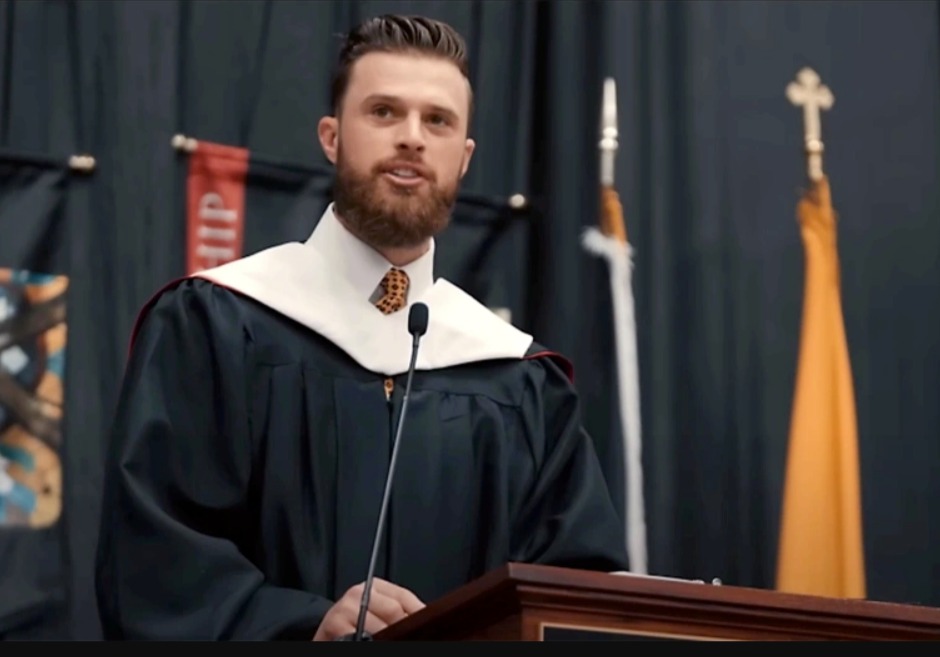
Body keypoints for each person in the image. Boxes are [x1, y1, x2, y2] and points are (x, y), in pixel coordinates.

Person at [94, 14, 629, 641]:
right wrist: (304, 623)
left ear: (465, 157)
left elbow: (573, 599)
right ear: (331, 137)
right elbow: (154, 563)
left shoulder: (519, 382)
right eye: (383, 112)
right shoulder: (217, 323)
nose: (412, 138)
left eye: (438, 121)